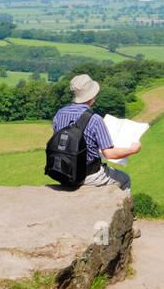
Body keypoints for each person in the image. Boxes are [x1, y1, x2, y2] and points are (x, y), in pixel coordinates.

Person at [53, 74, 142, 205]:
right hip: (88, 175)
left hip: (62, 171)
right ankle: (122, 216)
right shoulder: (95, 119)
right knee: (125, 179)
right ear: (92, 96)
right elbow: (109, 153)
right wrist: (132, 150)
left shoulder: (59, 114)